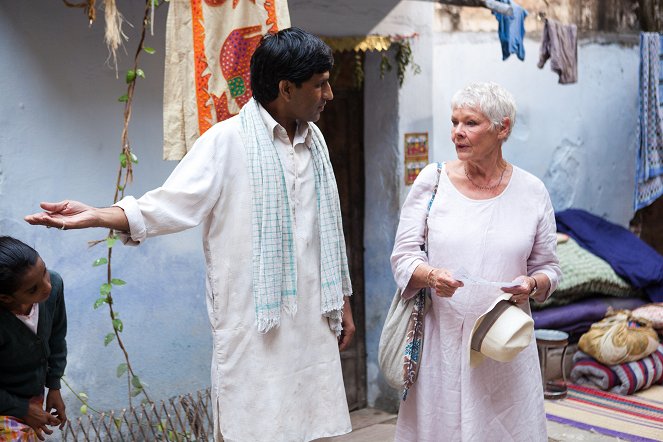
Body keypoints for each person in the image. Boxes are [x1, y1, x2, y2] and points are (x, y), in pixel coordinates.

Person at [25, 27, 354, 441]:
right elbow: (169, 204)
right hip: (255, 326)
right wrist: (96, 215)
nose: (329, 95)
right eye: (320, 85)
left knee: (310, 423)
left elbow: (322, 234)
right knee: (255, 426)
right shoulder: (226, 142)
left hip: (311, 319)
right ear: (286, 89)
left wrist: (341, 301)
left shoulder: (315, 143)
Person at [390, 82, 561, 441]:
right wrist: (432, 275)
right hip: (444, 345)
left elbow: (549, 268)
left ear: (504, 128)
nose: (457, 133)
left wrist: (532, 284)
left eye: (471, 123)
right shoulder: (432, 181)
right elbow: (404, 257)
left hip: (505, 344)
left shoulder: (532, 192)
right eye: (454, 122)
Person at [0, 236, 68, 441]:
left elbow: (57, 337)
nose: (46, 286)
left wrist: (54, 385)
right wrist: (21, 409)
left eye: (44, 271)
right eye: (32, 289)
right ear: (5, 298)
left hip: (30, 397)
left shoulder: (53, 286)